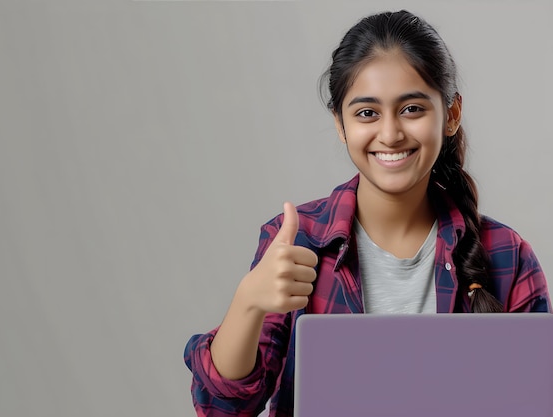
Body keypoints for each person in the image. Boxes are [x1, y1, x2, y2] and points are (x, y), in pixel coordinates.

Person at [183, 9, 551, 417]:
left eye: (412, 109)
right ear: (340, 124)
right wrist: (249, 301)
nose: (390, 133)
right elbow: (222, 410)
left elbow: (533, 405)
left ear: (451, 115)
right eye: (366, 113)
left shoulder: (507, 256)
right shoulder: (297, 243)